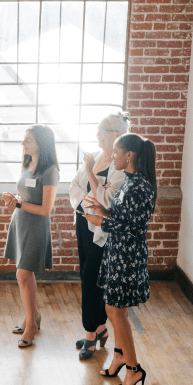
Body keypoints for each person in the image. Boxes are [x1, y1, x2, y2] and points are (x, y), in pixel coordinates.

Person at [84, 133, 156, 385]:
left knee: (115, 311)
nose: (110, 156)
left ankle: (134, 369)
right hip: (117, 252)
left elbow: (134, 227)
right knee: (115, 310)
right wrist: (104, 212)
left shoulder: (141, 187)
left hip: (128, 256)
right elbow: (123, 216)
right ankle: (118, 356)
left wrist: (101, 222)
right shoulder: (129, 181)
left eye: (115, 152)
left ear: (129, 156)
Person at [69, 112, 128, 360]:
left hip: (102, 230)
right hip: (84, 222)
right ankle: (100, 327)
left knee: (93, 277)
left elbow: (107, 199)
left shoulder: (120, 166)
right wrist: (90, 198)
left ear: (117, 134)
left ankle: (90, 334)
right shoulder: (93, 156)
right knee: (87, 273)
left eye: (102, 130)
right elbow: (74, 187)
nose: (97, 135)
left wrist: (91, 180)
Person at [2, 124, 60, 348]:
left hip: (36, 225)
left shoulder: (50, 170)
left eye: (28, 140)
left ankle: (31, 326)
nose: (23, 143)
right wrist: (14, 198)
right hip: (20, 221)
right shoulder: (27, 162)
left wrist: (19, 202)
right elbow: (26, 193)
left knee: (23, 275)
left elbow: (46, 209)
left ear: (41, 144)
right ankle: (31, 316)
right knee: (24, 274)